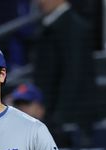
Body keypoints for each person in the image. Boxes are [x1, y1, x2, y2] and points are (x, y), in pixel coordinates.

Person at [32, 0, 95, 133]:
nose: (39, 1)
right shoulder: (48, 26)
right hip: (50, 117)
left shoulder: (74, 28)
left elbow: (74, 77)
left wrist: (59, 120)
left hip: (66, 122)